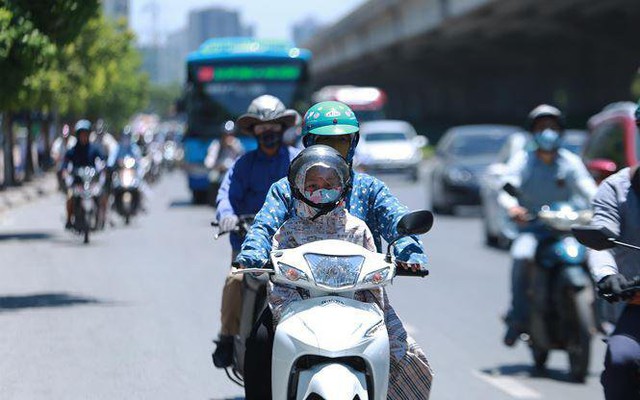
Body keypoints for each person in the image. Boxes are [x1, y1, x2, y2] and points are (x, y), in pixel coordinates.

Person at [238, 101, 431, 399]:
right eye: (326, 141)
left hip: (360, 296)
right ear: (308, 145)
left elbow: (396, 220)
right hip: (296, 295)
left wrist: (409, 251)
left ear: (353, 143)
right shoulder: (286, 188)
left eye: (342, 141)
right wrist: (254, 250)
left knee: (402, 351)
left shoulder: (370, 189)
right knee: (260, 343)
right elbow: (263, 226)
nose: (335, 150)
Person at [212, 95, 300, 368]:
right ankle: (227, 337)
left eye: (273, 127)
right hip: (248, 247)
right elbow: (226, 196)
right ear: (254, 132)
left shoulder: (298, 161)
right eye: (262, 128)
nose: (268, 133)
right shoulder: (243, 164)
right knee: (235, 281)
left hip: (292, 246)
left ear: (283, 128)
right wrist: (227, 216)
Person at [500, 104, 598, 346]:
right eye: (542, 127)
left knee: (599, 258)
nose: (548, 132)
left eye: (552, 127)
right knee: (522, 256)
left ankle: (604, 317)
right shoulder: (523, 160)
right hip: (533, 229)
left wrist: (602, 207)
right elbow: (507, 188)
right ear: (533, 132)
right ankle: (518, 317)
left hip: (567, 229)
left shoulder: (570, 162)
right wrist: (513, 207)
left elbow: (588, 189)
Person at [588, 100, 640, 399]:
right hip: (636, 304)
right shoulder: (615, 189)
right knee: (621, 361)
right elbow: (600, 241)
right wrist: (608, 276)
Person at [60, 120, 107, 229]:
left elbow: (103, 159)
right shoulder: (73, 150)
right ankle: (69, 219)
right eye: (81, 134)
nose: (83, 136)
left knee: (102, 194)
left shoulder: (94, 148)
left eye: (85, 134)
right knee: (70, 196)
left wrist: (104, 167)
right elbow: (65, 163)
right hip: (78, 182)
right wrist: (65, 172)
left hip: (91, 182)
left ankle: (101, 217)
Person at [51, 124, 77, 191]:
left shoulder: (74, 141)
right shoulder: (58, 142)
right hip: (62, 162)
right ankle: (60, 183)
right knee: (58, 167)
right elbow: (54, 153)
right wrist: (56, 157)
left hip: (71, 162)